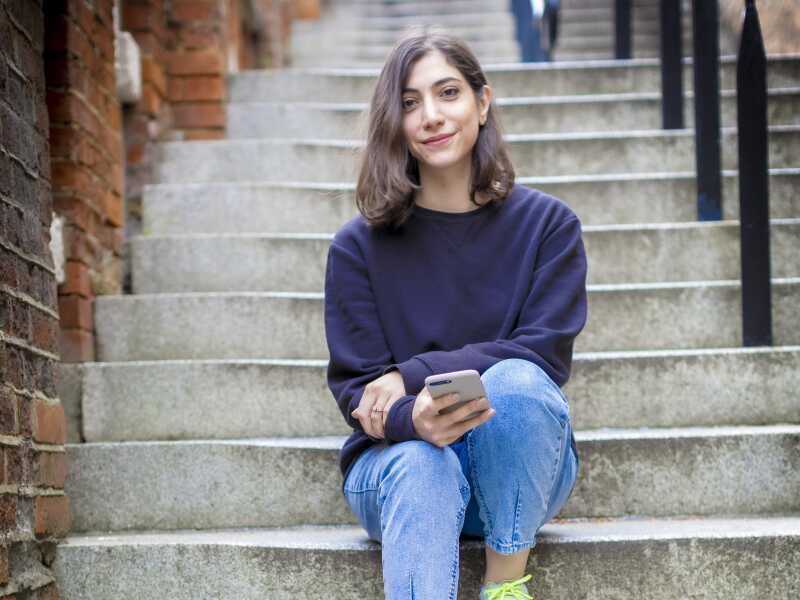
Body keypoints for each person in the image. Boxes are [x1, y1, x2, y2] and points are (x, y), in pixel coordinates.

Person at [323, 31, 587, 600]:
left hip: (522, 467)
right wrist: (408, 421)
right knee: (424, 464)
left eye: (448, 93)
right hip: (399, 471)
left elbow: (541, 353)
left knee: (517, 381)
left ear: (482, 102)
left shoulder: (549, 227)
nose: (431, 117)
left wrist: (408, 374)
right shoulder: (357, 248)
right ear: (393, 121)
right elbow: (358, 393)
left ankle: (506, 585)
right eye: (410, 103)